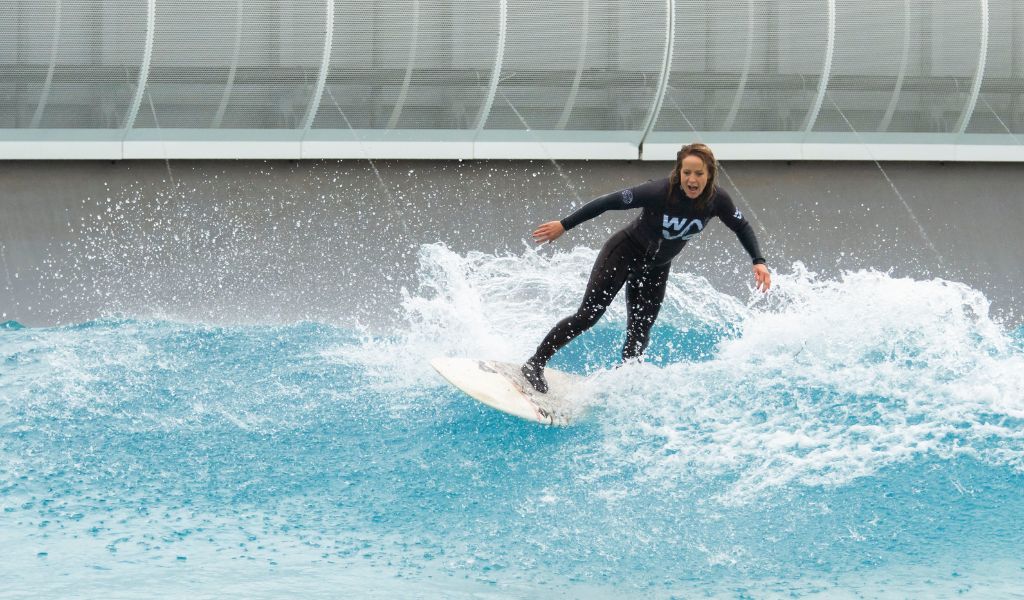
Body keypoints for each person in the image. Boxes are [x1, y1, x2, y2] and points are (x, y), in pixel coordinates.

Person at [520, 143, 771, 393]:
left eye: (698, 174)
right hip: (624, 254)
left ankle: (624, 384)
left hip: (656, 268)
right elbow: (609, 201)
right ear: (679, 172)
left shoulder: (718, 201)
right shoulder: (659, 191)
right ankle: (535, 363)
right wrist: (565, 225)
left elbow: (742, 226)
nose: (691, 180)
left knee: (640, 332)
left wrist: (758, 260)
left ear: (710, 175)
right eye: (686, 173)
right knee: (588, 316)